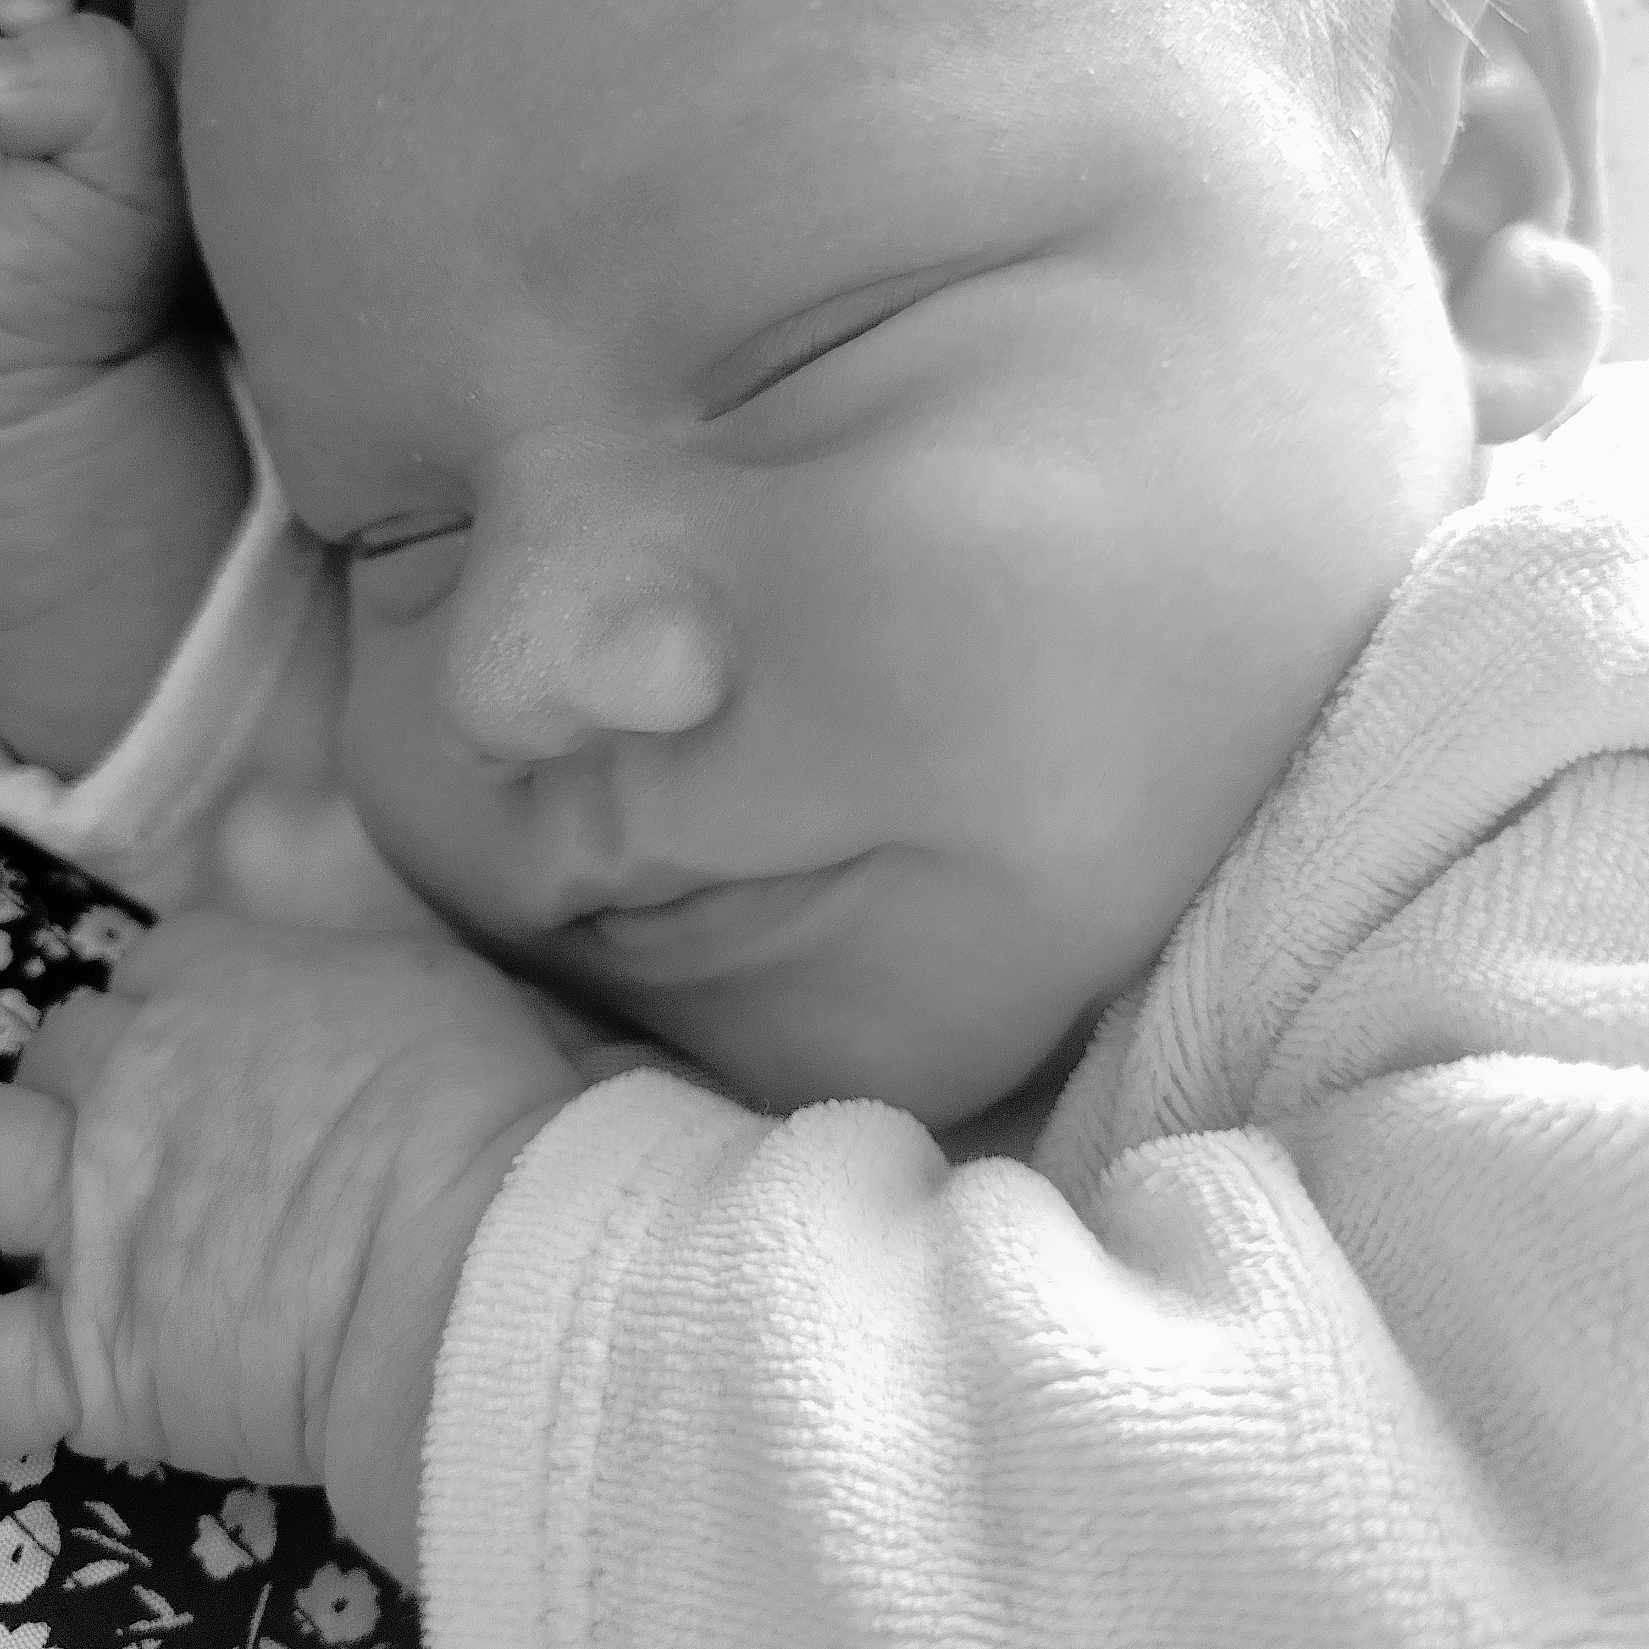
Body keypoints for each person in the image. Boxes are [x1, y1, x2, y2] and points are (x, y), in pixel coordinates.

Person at [0, 0, 1644, 1640]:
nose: (508, 676)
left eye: (803, 361)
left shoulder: (1578, 710)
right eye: (385, 535)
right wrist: (72, 474)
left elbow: (1454, 1558)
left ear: (1462, 206)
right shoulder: (882, 845)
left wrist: (426, 1284)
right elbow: (370, 1021)